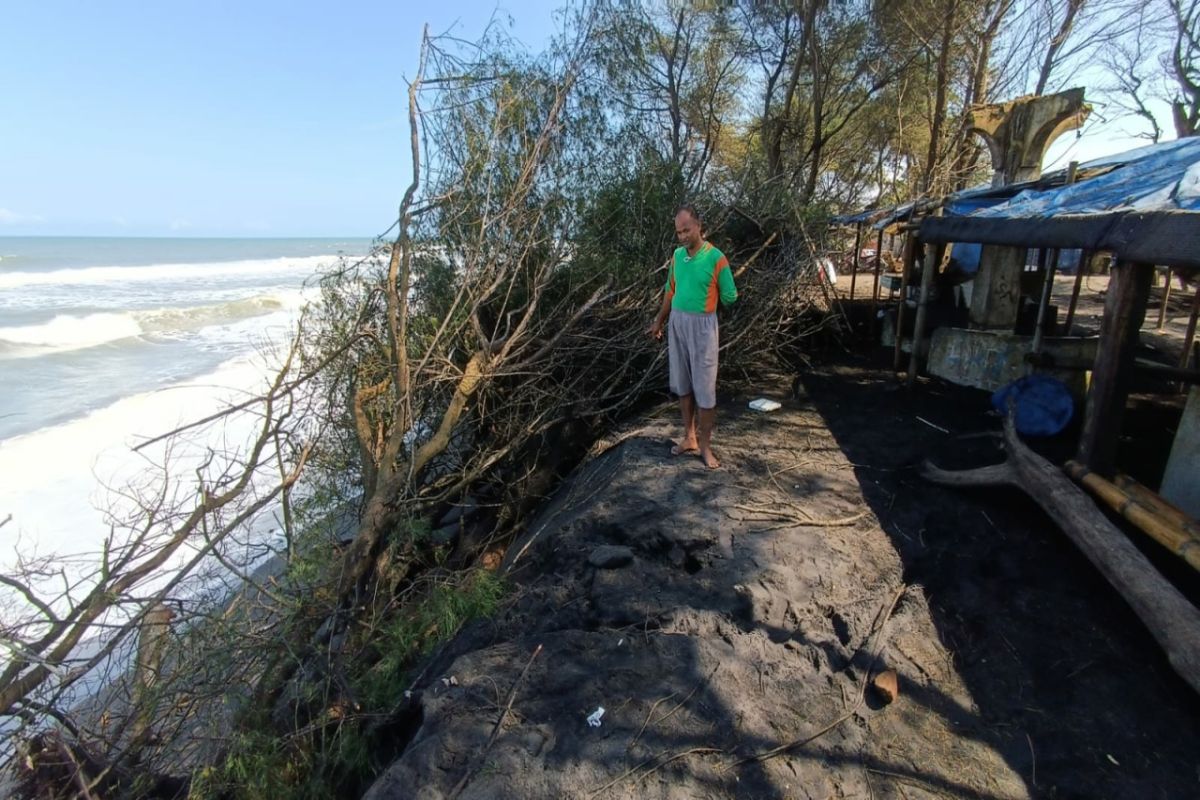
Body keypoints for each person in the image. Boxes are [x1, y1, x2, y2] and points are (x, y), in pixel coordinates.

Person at [647, 204, 737, 469]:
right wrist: (658, 322)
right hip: (677, 322)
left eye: (686, 230)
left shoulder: (716, 258)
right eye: (678, 232)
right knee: (682, 384)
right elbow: (669, 291)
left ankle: (706, 448)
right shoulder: (676, 256)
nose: (683, 236)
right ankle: (690, 437)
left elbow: (731, 296)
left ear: (699, 225)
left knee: (705, 389)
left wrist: (714, 297)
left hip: (703, 327)